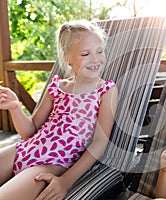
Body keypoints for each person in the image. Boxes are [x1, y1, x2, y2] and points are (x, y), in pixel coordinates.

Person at [0, 20, 118, 200]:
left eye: (100, 51)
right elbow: (30, 131)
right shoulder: (57, 87)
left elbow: (100, 142)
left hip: (54, 164)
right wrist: (15, 107)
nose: (95, 59)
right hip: (24, 150)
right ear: (67, 58)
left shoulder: (105, 91)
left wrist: (65, 181)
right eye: (85, 54)